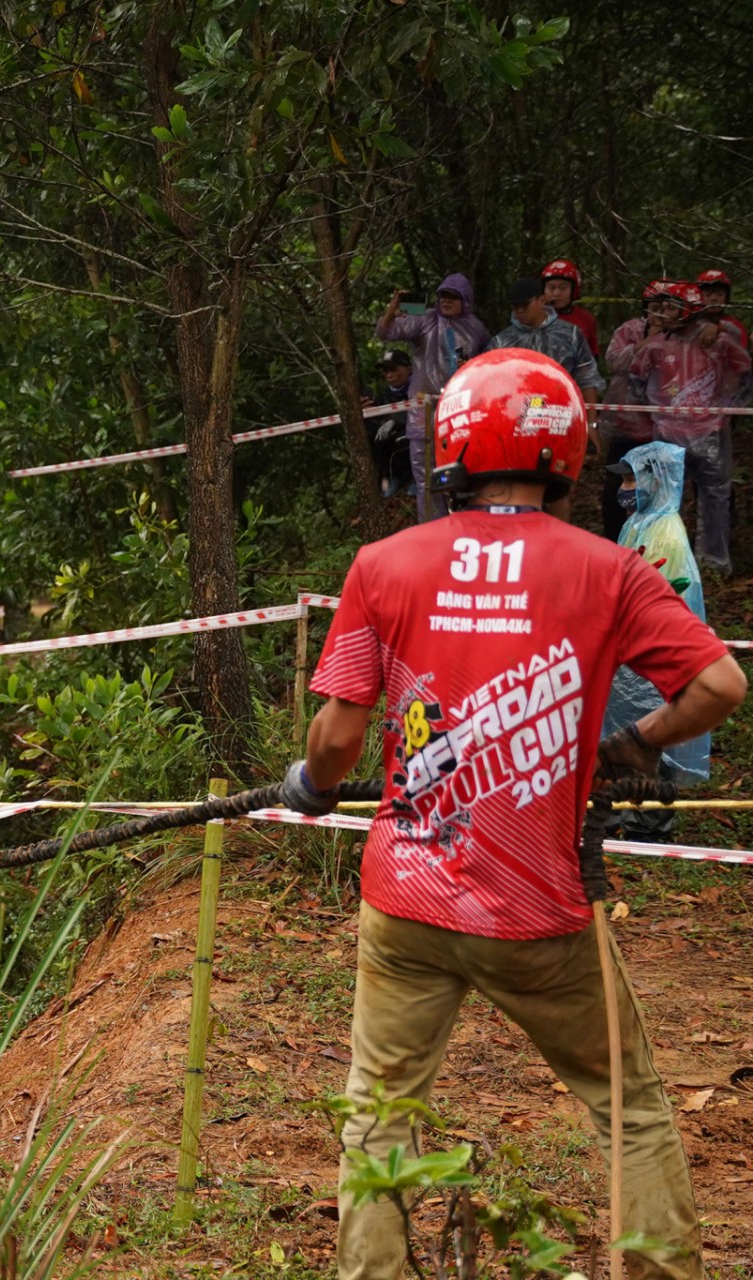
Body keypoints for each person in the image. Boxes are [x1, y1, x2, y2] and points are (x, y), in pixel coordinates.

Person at [279, 348, 746, 1280]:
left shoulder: (386, 563)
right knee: (632, 1111)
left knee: (379, 1108)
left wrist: (314, 785)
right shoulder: (607, 569)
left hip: (405, 903)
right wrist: (638, 745)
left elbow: (336, 737)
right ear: (567, 455)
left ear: (452, 448)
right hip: (542, 912)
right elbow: (719, 683)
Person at [603, 442, 710, 840]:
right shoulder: (636, 523)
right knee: (624, 733)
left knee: (651, 740)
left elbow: (667, 595)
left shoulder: (667, 531)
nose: (625, 487)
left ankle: (648, 825)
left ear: (656, 478)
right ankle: (618, 813)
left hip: (651, 657)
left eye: (632, 477)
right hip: (628, 654)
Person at [630, 281, 751, 571]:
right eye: (662, 307)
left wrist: (729, 409)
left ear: (689, 308)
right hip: (669, 433)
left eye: (672, 306)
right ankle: (668, 561)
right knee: (666, 499)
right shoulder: (658, 345)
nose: (665, 313)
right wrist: (654, 414)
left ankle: (713, 562)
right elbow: (636, 377)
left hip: (711, 432)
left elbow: (745, 371)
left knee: (715, 496)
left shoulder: (719, 339)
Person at [376, 274, 493, 522]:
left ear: (465, 300)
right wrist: (393, 309)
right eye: (443, 296)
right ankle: (432, 530)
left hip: (461, 412)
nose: (446, 301)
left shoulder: (477, 329)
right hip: (424, 412)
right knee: (425, 478)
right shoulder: (426, 320)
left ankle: (471, 524)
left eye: (453, 296)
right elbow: (385, 332)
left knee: (466, 472)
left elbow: (489, 366)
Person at [600, 281, 674, 539]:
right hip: (625, 425)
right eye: (656, 308)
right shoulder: (630, 329)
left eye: (668, 308)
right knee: (614, 488)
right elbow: (613, 361)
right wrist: (646, 342)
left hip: (662, 428)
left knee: (656, 490)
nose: (661, 314)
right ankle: (613, 540)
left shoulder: (681, 336)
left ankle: (652, 543)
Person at [492, 276, 606, 403]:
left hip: (562, 410)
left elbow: (587, 378)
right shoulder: (502, 342)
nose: (519, 310)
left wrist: (590, 422)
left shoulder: (570, 334)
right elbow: (488, 381)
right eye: (515, 306)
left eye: (524, 305)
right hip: (515, 411)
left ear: (541, 300)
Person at [366, 350, 414, 498]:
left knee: (406, 440)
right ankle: (392, 478)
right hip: (391, 440)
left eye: (393, 369)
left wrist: (396, 420)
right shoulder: (383, 394)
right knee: (374, 437)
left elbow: (424, 410)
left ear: (408, 368)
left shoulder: (418, 387)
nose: (389, 375)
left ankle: (416, 479)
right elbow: (378, 415)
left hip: (414, 433)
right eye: (386, 371)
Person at [541, 258, 600, 353]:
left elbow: (592, 356)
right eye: (551, 287)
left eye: (563, 288)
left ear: (573, 291)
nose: (556, 293)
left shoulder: (586, 318)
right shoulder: (534, 317)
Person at [695, 268, 748, 352]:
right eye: (708, 294)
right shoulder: (690, 322)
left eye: (720, 294)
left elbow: (741, 357)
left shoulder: (734, 325)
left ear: (726, 298)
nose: (714, 299)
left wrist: (719, 327)